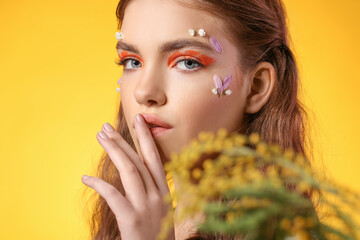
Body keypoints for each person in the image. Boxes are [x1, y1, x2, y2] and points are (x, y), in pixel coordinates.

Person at [81, 0, 312, 239]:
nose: (144, 92)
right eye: (132, 61)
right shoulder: (136, 223)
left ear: (256, 87)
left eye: (187, 62)